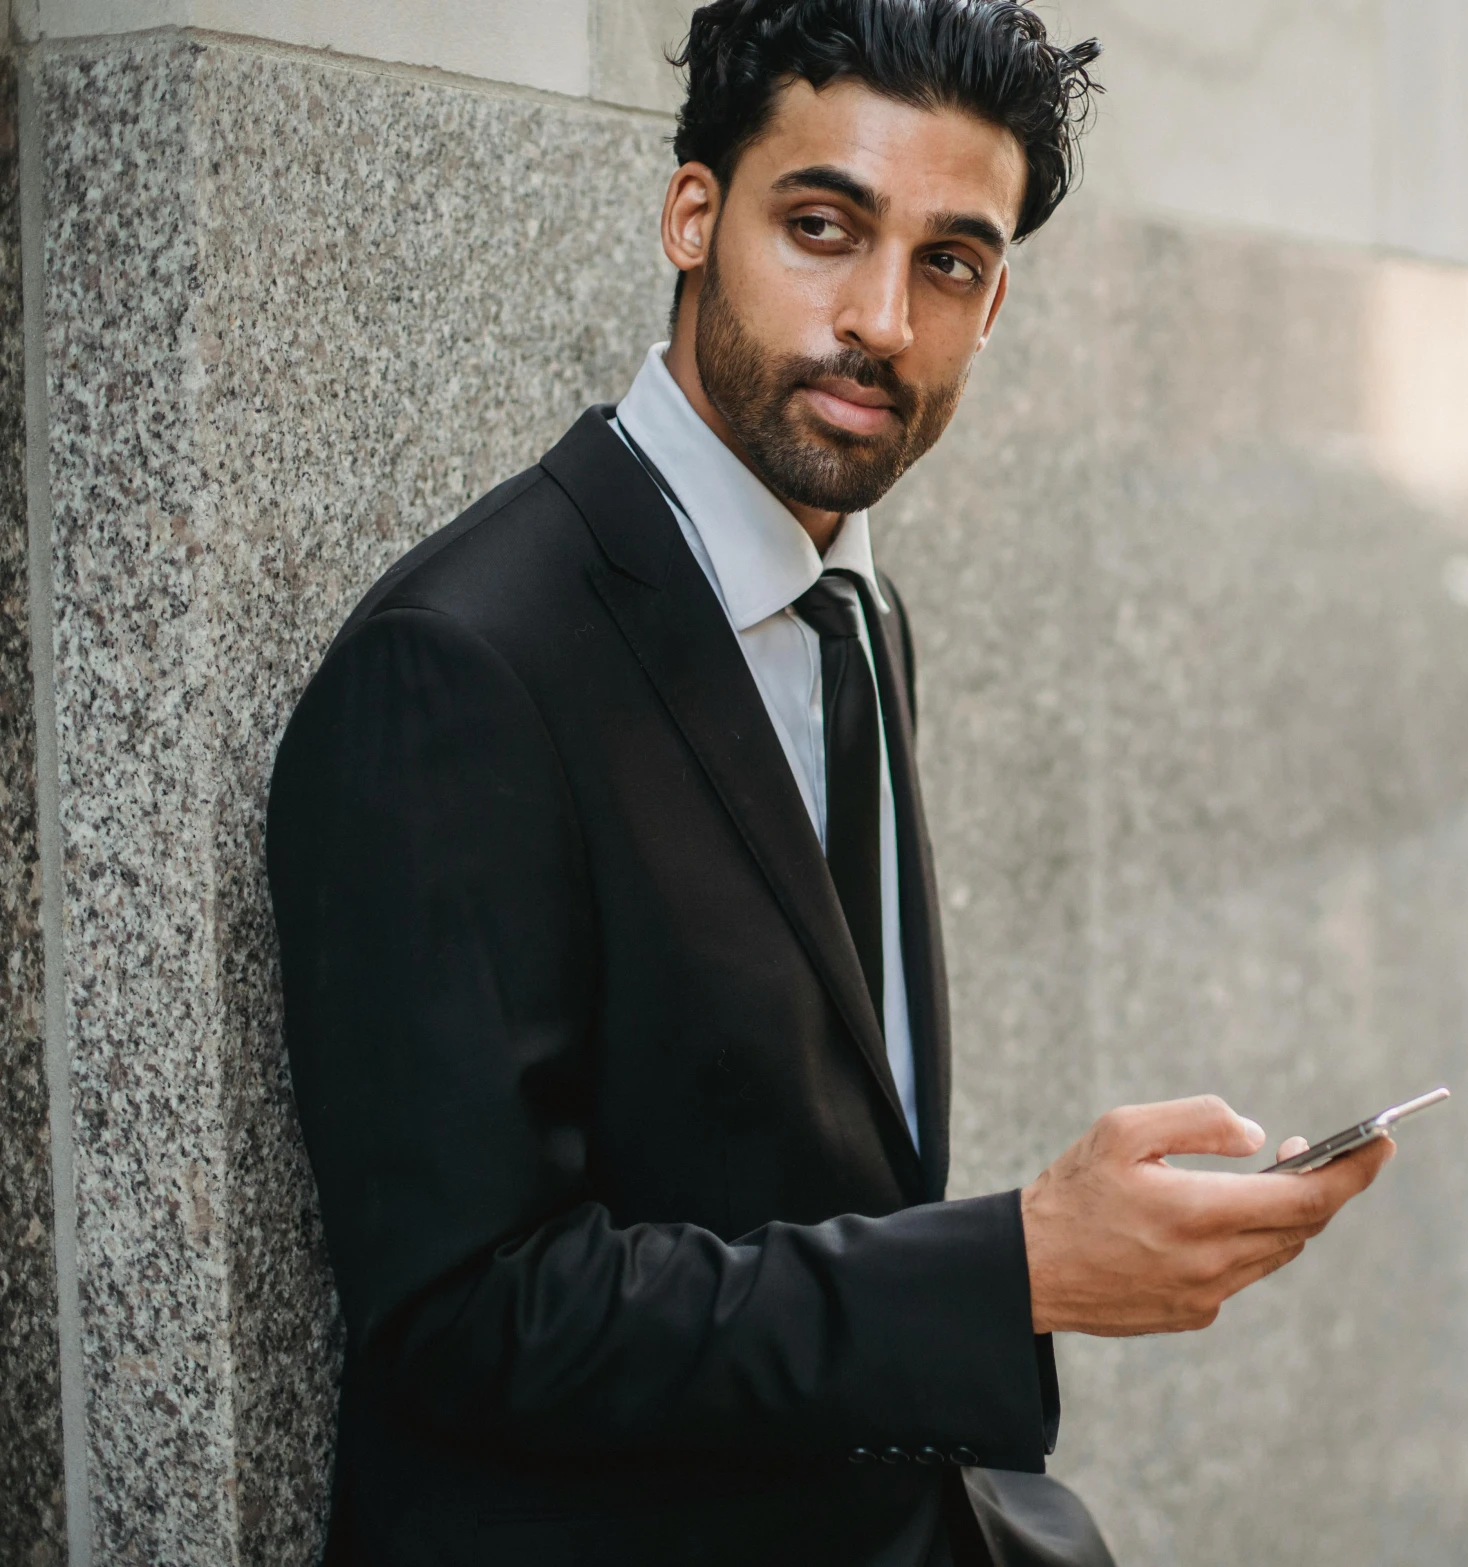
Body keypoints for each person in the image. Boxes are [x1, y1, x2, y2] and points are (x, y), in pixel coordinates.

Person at [264, 2, 1394, 1563]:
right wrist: (1012, 1270)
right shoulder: (460, 665)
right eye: (821, 225)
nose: (881, 317)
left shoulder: (854, 613)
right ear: (690, 214)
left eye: (951, 261)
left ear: (993, 306)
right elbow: (466, 1315)